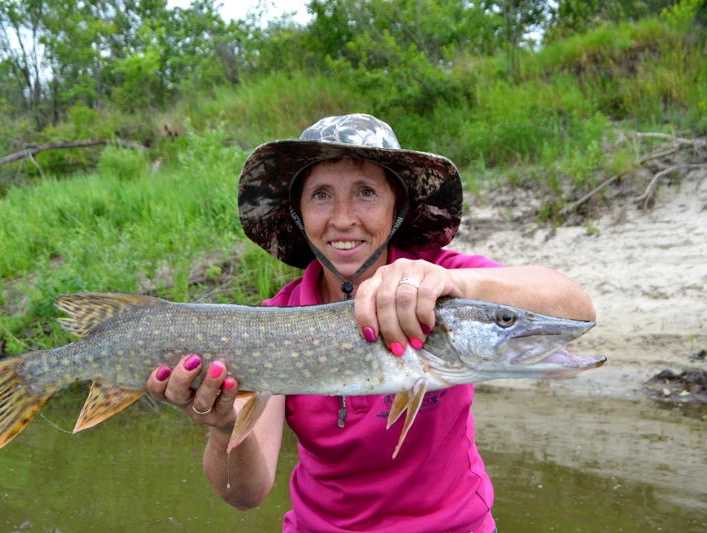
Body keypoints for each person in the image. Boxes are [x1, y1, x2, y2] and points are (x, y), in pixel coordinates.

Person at [147, 114, 595, 532]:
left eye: (366, 192)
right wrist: (224, 427)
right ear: (299, 215)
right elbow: (246, 494)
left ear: (396, 209)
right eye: (321, 195)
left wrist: (452, 281)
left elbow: (576, 307)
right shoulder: (274, 321)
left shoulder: (446, 281)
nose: (344, 219)